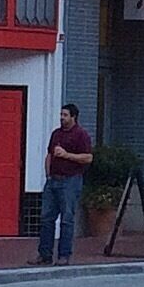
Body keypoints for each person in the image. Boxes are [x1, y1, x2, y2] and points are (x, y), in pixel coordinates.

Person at [29, 103, 93, 267]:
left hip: (70, 180)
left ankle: (64, 255)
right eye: (61, 115)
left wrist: (67, 155)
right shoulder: (56, 134)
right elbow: (50, 154)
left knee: (67, 219)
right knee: (46, 218)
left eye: (65, 115)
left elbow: (87, 158)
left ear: (73, 117)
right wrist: (48, 174)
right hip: (53, 180)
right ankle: (44, 254)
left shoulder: (81, 135)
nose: (62, 118)